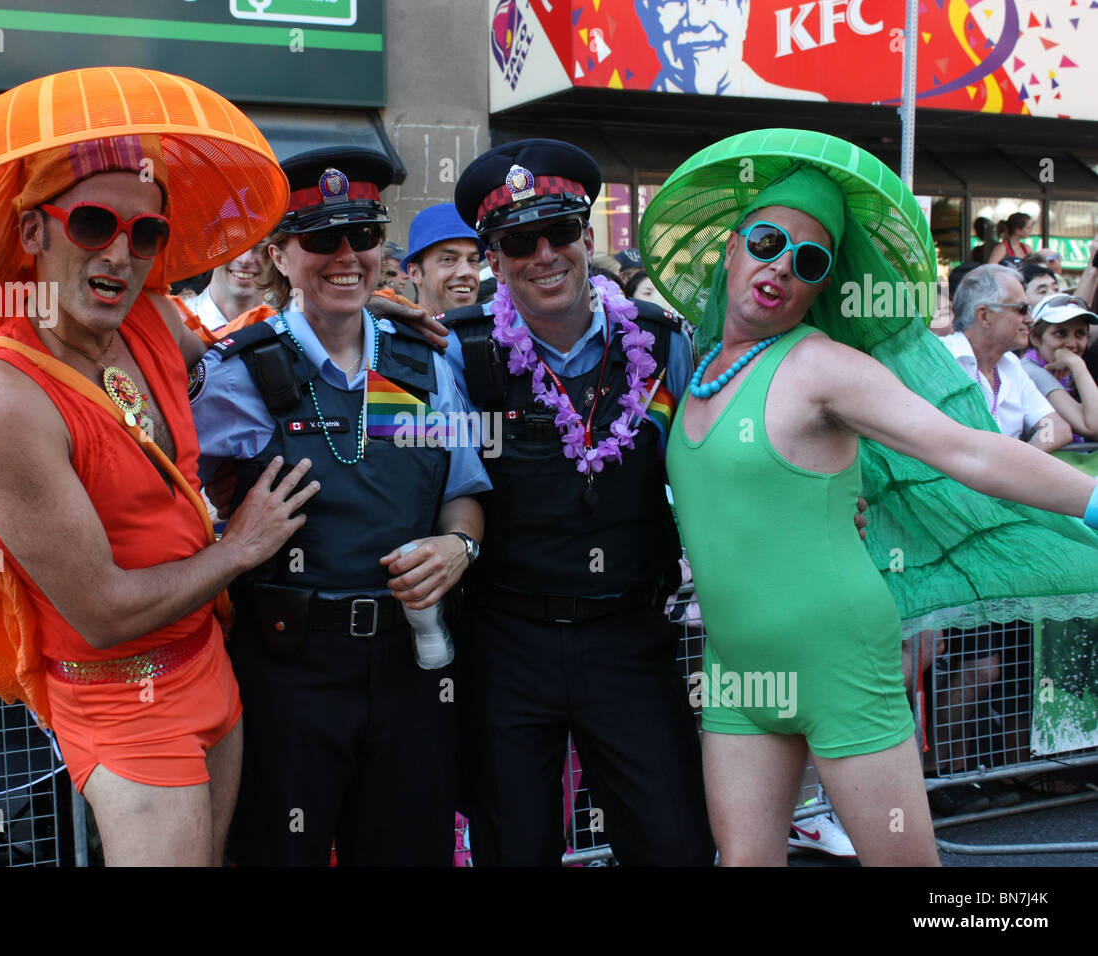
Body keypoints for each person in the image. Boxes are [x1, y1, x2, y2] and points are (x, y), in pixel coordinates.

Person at [641, 129, 1098, 866]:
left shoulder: (824, 366)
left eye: (808, 260)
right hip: (737, 670)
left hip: (840, 661)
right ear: (730, 247)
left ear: (823, 284)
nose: (780, 267)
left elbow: (966, 448)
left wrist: (1094, 502)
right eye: (766, 241)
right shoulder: (694, 368)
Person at [0, 67, 315, 867]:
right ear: (33, 234)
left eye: (146, 234)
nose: (121, 253)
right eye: (93, 223)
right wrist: (240, 547)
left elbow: (237, 335)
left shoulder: (151, 319)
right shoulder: (0, 395)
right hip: (121, 695)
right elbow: (100, 611)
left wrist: (357, 312)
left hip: (209, 661)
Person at [191, 146, 489, 866]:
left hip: (413, 666)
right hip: (286, 670)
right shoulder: (236, 372)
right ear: (279, 256)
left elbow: (463, 492)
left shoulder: (423, 362)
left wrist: (459, 548)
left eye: (363, 235)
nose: (346, 256)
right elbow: (160, 490)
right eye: (322, 239)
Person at [444, 138, 713, 866]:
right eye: (518, 241)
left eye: (560, 232)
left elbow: (721, 463)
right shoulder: (460, 353)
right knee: (516, 848)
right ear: (493, 259)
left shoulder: (660, 344)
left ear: (587, 238)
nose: (544, 254)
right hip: (506, 642)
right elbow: (429, 478)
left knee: (676, 843)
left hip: (629, 637)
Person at [943, 265, 1070, 448]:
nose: (1030, 319)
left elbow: (1055, 426)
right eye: (1022, 308)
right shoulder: (943, 359)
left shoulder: (1010, 364)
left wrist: (1023, 461)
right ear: (984, 316)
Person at [636, 0, 827, 100]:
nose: (695, 20)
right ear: (647, 21)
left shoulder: (806, 116)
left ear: (742, 12)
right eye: (672, 1)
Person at [1021, 294, 1098, 441]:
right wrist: (1077, 364)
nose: (1072, 343)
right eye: (1060, 333)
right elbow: (1095, 427)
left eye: (1080, 334)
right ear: (1035, 338)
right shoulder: (1031, 371)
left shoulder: (1065, 371)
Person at [401, 203, 484, 317]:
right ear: (415, 273)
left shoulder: (500, 331)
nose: (466, 272)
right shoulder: (388, 333)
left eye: (473, 260)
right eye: (448, 259)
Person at [191, 245, 265, 332]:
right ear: (209, 250)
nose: (245, 260)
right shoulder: (177, 325)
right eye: (232, 243)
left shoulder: (283, 321)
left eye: (258, 246)